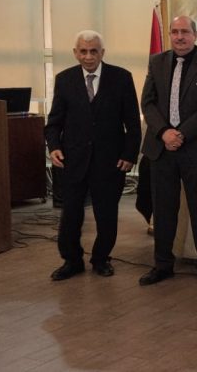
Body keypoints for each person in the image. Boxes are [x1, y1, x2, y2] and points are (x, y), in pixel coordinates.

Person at [44, 30, 141, 281]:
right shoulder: (64, 79)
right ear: (75, 53)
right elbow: (54, 122)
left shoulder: (121, 78)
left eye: (94, 51)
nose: (89, 56)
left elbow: (133, 122)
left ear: (102, 53)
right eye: (83, 51)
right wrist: (54, 146)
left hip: (110, 161)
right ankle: (71, 261)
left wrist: (130, 154)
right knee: (70, 215)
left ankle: (101, 258)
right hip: (73, 160)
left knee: (106, 214)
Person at [139, 16, 197, 287]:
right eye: (175, 32)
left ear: (195, 35)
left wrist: (181, 134)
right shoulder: (156, 62)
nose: (179, 37)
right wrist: (164, 132)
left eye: (185, 32)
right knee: (164, 210)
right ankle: (162, 265)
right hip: (162, 148)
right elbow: (147, 102)